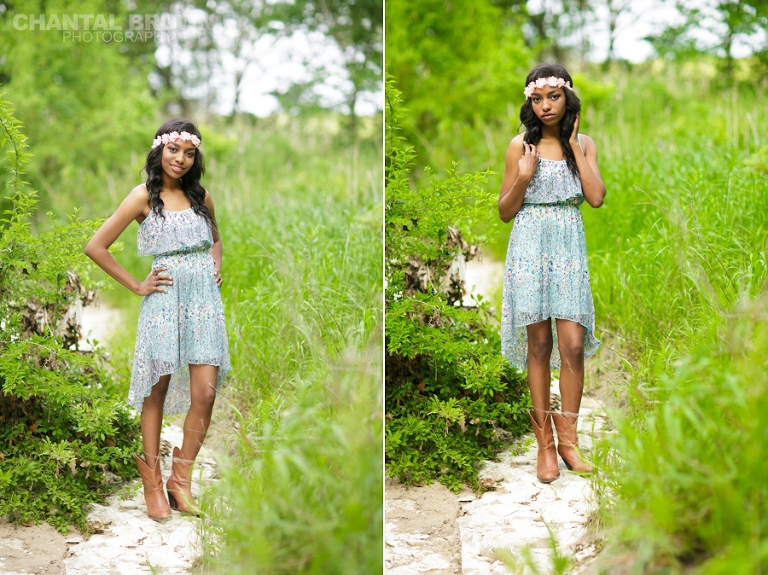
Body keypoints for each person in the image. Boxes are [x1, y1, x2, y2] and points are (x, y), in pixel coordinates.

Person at [85, 119, 231, 520]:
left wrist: (215, 264)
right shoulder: (142, 197)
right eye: (173, 150)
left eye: (188, 153)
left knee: (205, 393)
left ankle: (179, 481)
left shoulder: (201, 195)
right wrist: (136, 285)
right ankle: (152, 482)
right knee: (157, 391)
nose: (180, 159)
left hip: (204, 302)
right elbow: (96, 246)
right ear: (159, 150)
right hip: (164, 301)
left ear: (195, 157)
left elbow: (215, 239)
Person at [498, 64, 605, 483]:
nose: (545, 106)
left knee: (573, 343)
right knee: (539, 343)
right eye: (537, 98)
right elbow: (505, 212)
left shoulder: (586, 145)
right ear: (530, 102)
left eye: (554, 97)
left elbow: (595, 198)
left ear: (568, 99)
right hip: (528, 242)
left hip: (568, 244)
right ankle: (544, 445)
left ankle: (569, 440)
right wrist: (523, 178)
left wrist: (576, 148)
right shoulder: (518, 146)